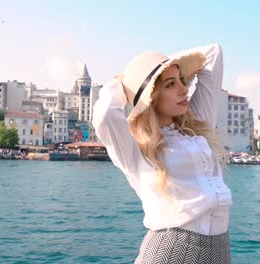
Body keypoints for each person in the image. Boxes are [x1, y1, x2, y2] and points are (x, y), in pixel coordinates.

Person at [92, 43, 233, 263]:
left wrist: (164, 66)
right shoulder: (136, 148)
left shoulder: (196, 127)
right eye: (170, 84)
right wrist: (124, 83)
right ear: (151, 97)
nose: (183, 89)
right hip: (169, 253)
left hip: (219, 253)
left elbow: (213, 53)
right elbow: (104, 117)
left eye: (182, 80)